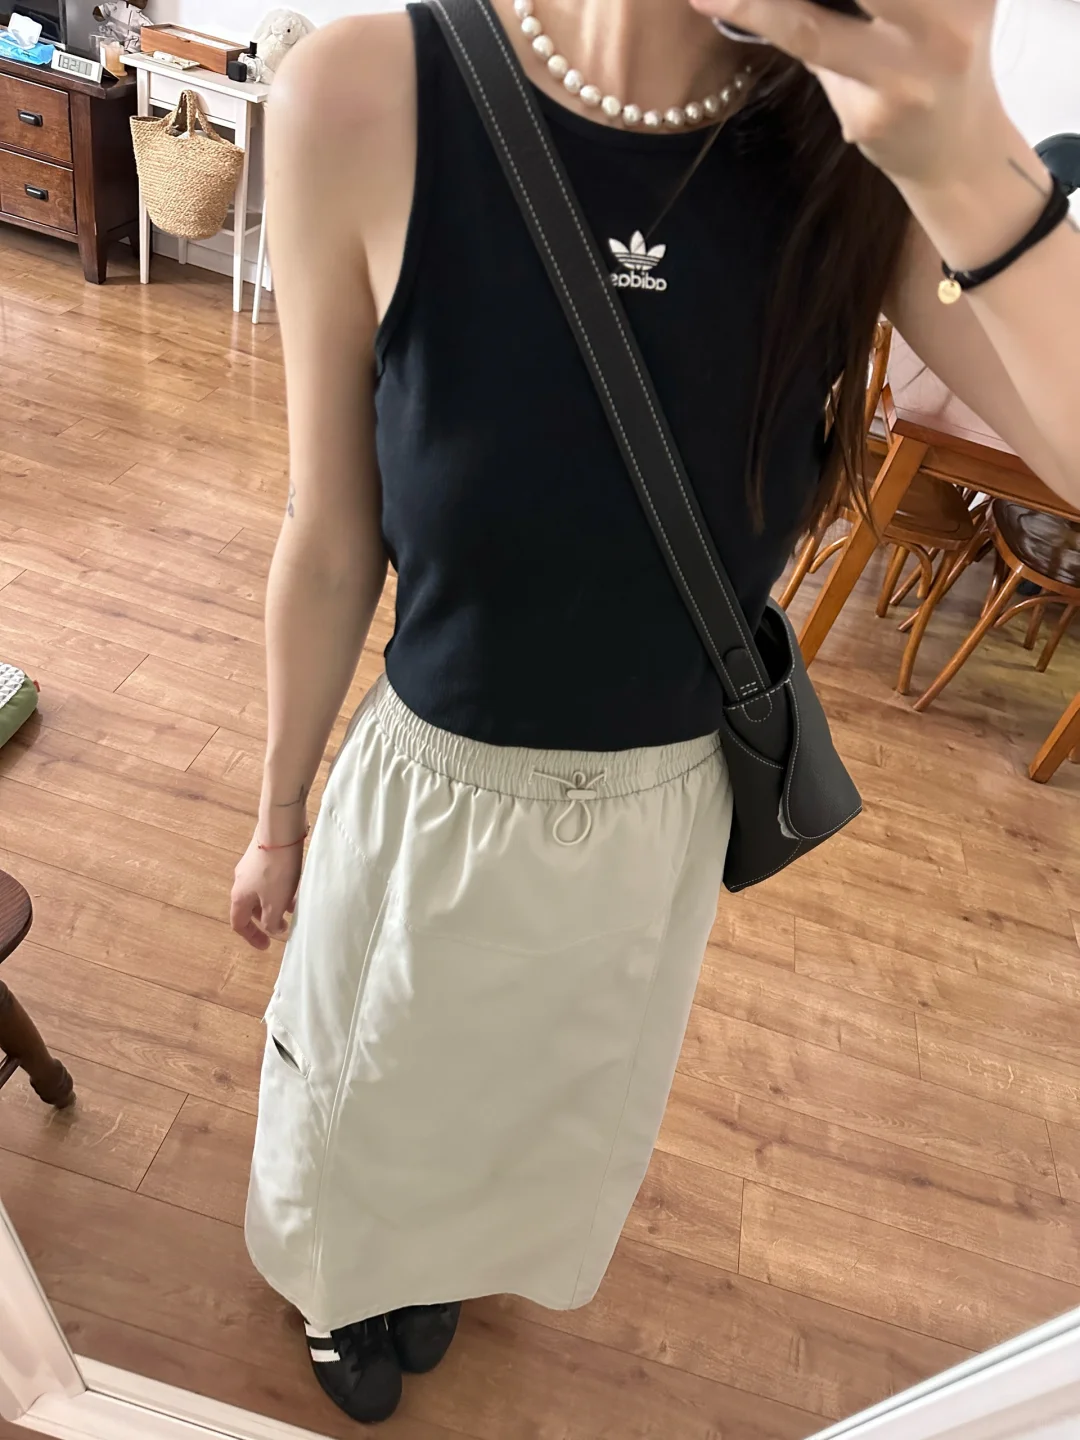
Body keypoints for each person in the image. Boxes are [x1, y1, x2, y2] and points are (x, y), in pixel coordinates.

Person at [230, 0, 1080, 1424]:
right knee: (368, 1089)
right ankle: (344, 1288)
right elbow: (329, 535)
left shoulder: (852, 146)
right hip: (436, 789)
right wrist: (275, 817)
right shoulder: (368, 90)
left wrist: (957, 141)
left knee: (528, 1102)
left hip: (656, 812)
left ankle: (430, 1262)